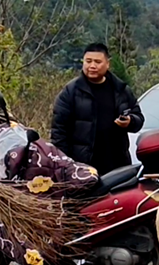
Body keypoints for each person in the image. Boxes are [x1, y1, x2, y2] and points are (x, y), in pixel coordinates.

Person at [51, 42, 144, 175]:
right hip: (83, 166)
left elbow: (138, 118)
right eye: (88, 61)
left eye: (97, 62)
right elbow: (58, 132)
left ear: (107, 64)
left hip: (117, 164)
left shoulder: (120, 90)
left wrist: (130, 121)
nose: (92, 66)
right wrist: (65, 164)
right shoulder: (70, 92)